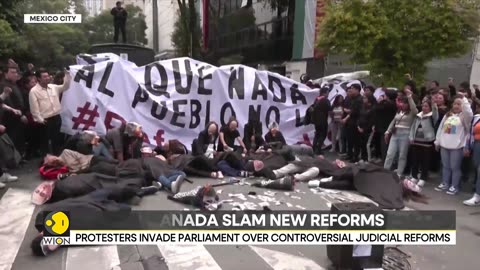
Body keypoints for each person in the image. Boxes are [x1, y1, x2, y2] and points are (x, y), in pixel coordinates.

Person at [435, 93, 473, 195]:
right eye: (455, 104)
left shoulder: (465, 118)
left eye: (459, 104)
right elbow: (441, 129)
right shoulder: (448, 115)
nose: (456, 106)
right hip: (444, 145)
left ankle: (454, 186)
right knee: (445, 166)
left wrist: (464, 99)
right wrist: (437, 141)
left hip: (457, 147)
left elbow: (469, 113)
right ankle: (445, 183)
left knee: (455, 167)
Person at [29, 68, 71, 155]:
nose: (47, 78)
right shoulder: (34, 91)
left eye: (48, 76)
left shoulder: (53, 87)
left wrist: (67, 75)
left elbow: (65, 86)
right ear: (38, 79)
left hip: (56, 117)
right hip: (45, 120)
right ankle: (46, 161)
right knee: (45, 142)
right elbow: (34, 109)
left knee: (57, 140)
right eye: (44, 76)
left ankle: (57, 158)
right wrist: (40, 119)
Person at [384, 89, 418, 177]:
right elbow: (393, 121)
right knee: (390, 153)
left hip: (405, 134)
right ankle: (385, 170)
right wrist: (387, 131)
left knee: (402, 155)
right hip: (395, 133)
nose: (403, 104)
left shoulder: (412, 113)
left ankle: (399, 172)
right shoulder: (399, 111)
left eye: (405, 103)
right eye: (402, 102)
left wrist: (409, 97)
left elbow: (414, 109)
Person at [408, 99, 438, 187]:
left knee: (425, 161)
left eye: (426, 106)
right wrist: (411, 137)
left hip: (427, 142)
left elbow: (435, 113)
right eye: (423, 106)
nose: (424, 108)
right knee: (415, 160)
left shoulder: (432, 116)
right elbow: (413, 127)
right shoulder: (418, 116)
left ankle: (423, 178)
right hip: (416, 141)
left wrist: (434, 105)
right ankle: (414, 176)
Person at [1, 64, 28, 159]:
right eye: (12, 72)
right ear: (5, 74)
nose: (15, 74)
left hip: (18, 116)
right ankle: (13, 160)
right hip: (10, 118)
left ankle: (18, 158)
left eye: (15, 72)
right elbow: (7, 102)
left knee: (19, 139)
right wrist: (18, 114)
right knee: (12, 140)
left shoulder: (14, 84)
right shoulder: (3, 85)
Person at [17, 71, 40, 160]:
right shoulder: (25, 93)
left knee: (37, 135)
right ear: (27, 84)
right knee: (31, 136)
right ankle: (28, 153)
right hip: (29, 116)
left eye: (35, 82)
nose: (34, 84)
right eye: (32, 82)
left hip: (36, 115)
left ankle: (35, 150)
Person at [464, 106, 480, 205]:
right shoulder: (476, 117)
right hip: (477, 145)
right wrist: (467, 146)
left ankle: (477, 196)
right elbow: (470, 132)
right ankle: (477, 196)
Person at [343, 84, 363, 162]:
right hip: (350, 122)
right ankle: (350, 154)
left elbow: (354, 111)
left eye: (352, 88)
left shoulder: (359, 99)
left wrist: (348, 112)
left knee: (356, 141)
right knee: (349, 139)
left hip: (356, 122)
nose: (351, 90)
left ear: (357, 90)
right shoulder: (351, 98)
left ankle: (355, 156)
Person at [309, 87, 331, 155]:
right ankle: (318, 149)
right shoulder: (325, 100)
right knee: (322, 135)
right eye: (328, 92)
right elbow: (329, 109)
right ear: (325, 93)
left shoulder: (317, 99)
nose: (328, 94)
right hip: (323, 120)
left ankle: (314, 148)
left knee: (317, 134)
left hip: (316, 120)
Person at [357, 95, 376, 162]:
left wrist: (365, 129)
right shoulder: (362, 107)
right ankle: (362, 157)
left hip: (368, 129)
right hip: (360, 127)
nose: (363, 99)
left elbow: (372, 121)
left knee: (367, 144)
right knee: (361, 143)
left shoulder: (372, 109)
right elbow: (359, 117)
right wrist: (358, 126)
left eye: (365, 98)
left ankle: (368, 159)